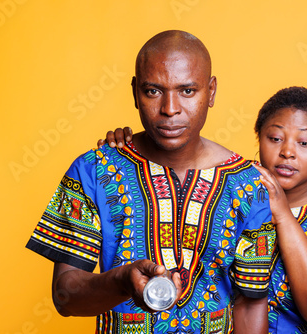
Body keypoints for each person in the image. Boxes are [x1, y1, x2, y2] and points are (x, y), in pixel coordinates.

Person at [26, 30, 276, 334]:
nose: (170, 108)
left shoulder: (248, 183)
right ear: (135, 92)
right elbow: (65, 298)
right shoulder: (93, 170)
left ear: (210, 92)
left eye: (187, 91)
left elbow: (251, 303)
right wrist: (121, 280)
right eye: (153, 91)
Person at [102, 86, 307, 333]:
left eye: (304, 143)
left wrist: (284, 216)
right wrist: (131, 147)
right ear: (259, 138)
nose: (287, 152)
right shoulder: (236, 185)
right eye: (275, 138)